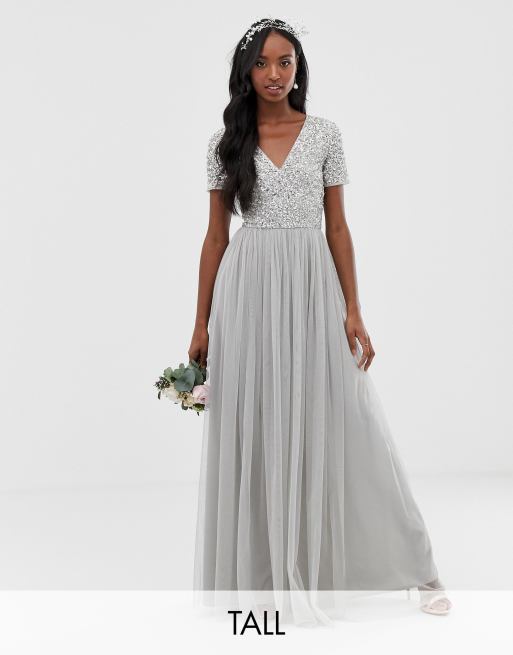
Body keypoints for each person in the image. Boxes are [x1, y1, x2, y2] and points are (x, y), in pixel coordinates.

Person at [190, 17, 452, 627]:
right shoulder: (225, 143)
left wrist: (353, 308)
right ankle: (265, 577)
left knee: (347, 418)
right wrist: (201, 320)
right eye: (262, 63)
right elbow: (215, 236)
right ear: (245, 72)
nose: (275, 74)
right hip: (248, 291)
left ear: (299, 69)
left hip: (313, 288)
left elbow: (337, 226)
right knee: (258, 425)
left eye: (286, 62)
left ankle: (416, 567)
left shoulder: (325, 134)